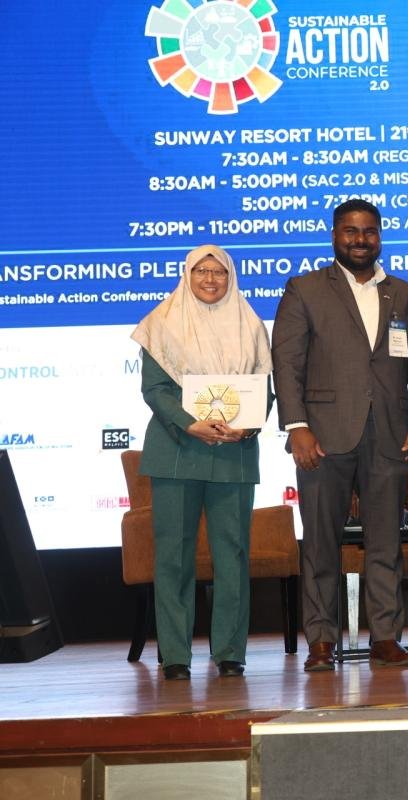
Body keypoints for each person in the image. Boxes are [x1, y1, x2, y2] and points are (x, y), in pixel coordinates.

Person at [272, 199, 408, 672]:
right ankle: (322, 641)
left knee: (386, 542)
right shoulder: (305, 289)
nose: (360, 240)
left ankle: (385, 638)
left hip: (390, 434)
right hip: (322, 437)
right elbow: (287, 363)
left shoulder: (407, 295)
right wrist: (297, 426)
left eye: (369, 231)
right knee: (320, 543)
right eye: (350, 231)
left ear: (380, 236)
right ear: (334, 235)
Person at [132, 244, 273, 680]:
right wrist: (189, 423)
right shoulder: (161, 323)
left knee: (233, 555)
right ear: (187, 275)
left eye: (219, 272)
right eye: (201, 271)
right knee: (173, 557)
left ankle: (230, 652)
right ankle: (175, 655)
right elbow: (155, 389)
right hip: (177, 452)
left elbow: (265, 390)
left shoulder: (251, 325)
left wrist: (247, 426)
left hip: (234, 453)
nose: (210, 280)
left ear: (231, 277)